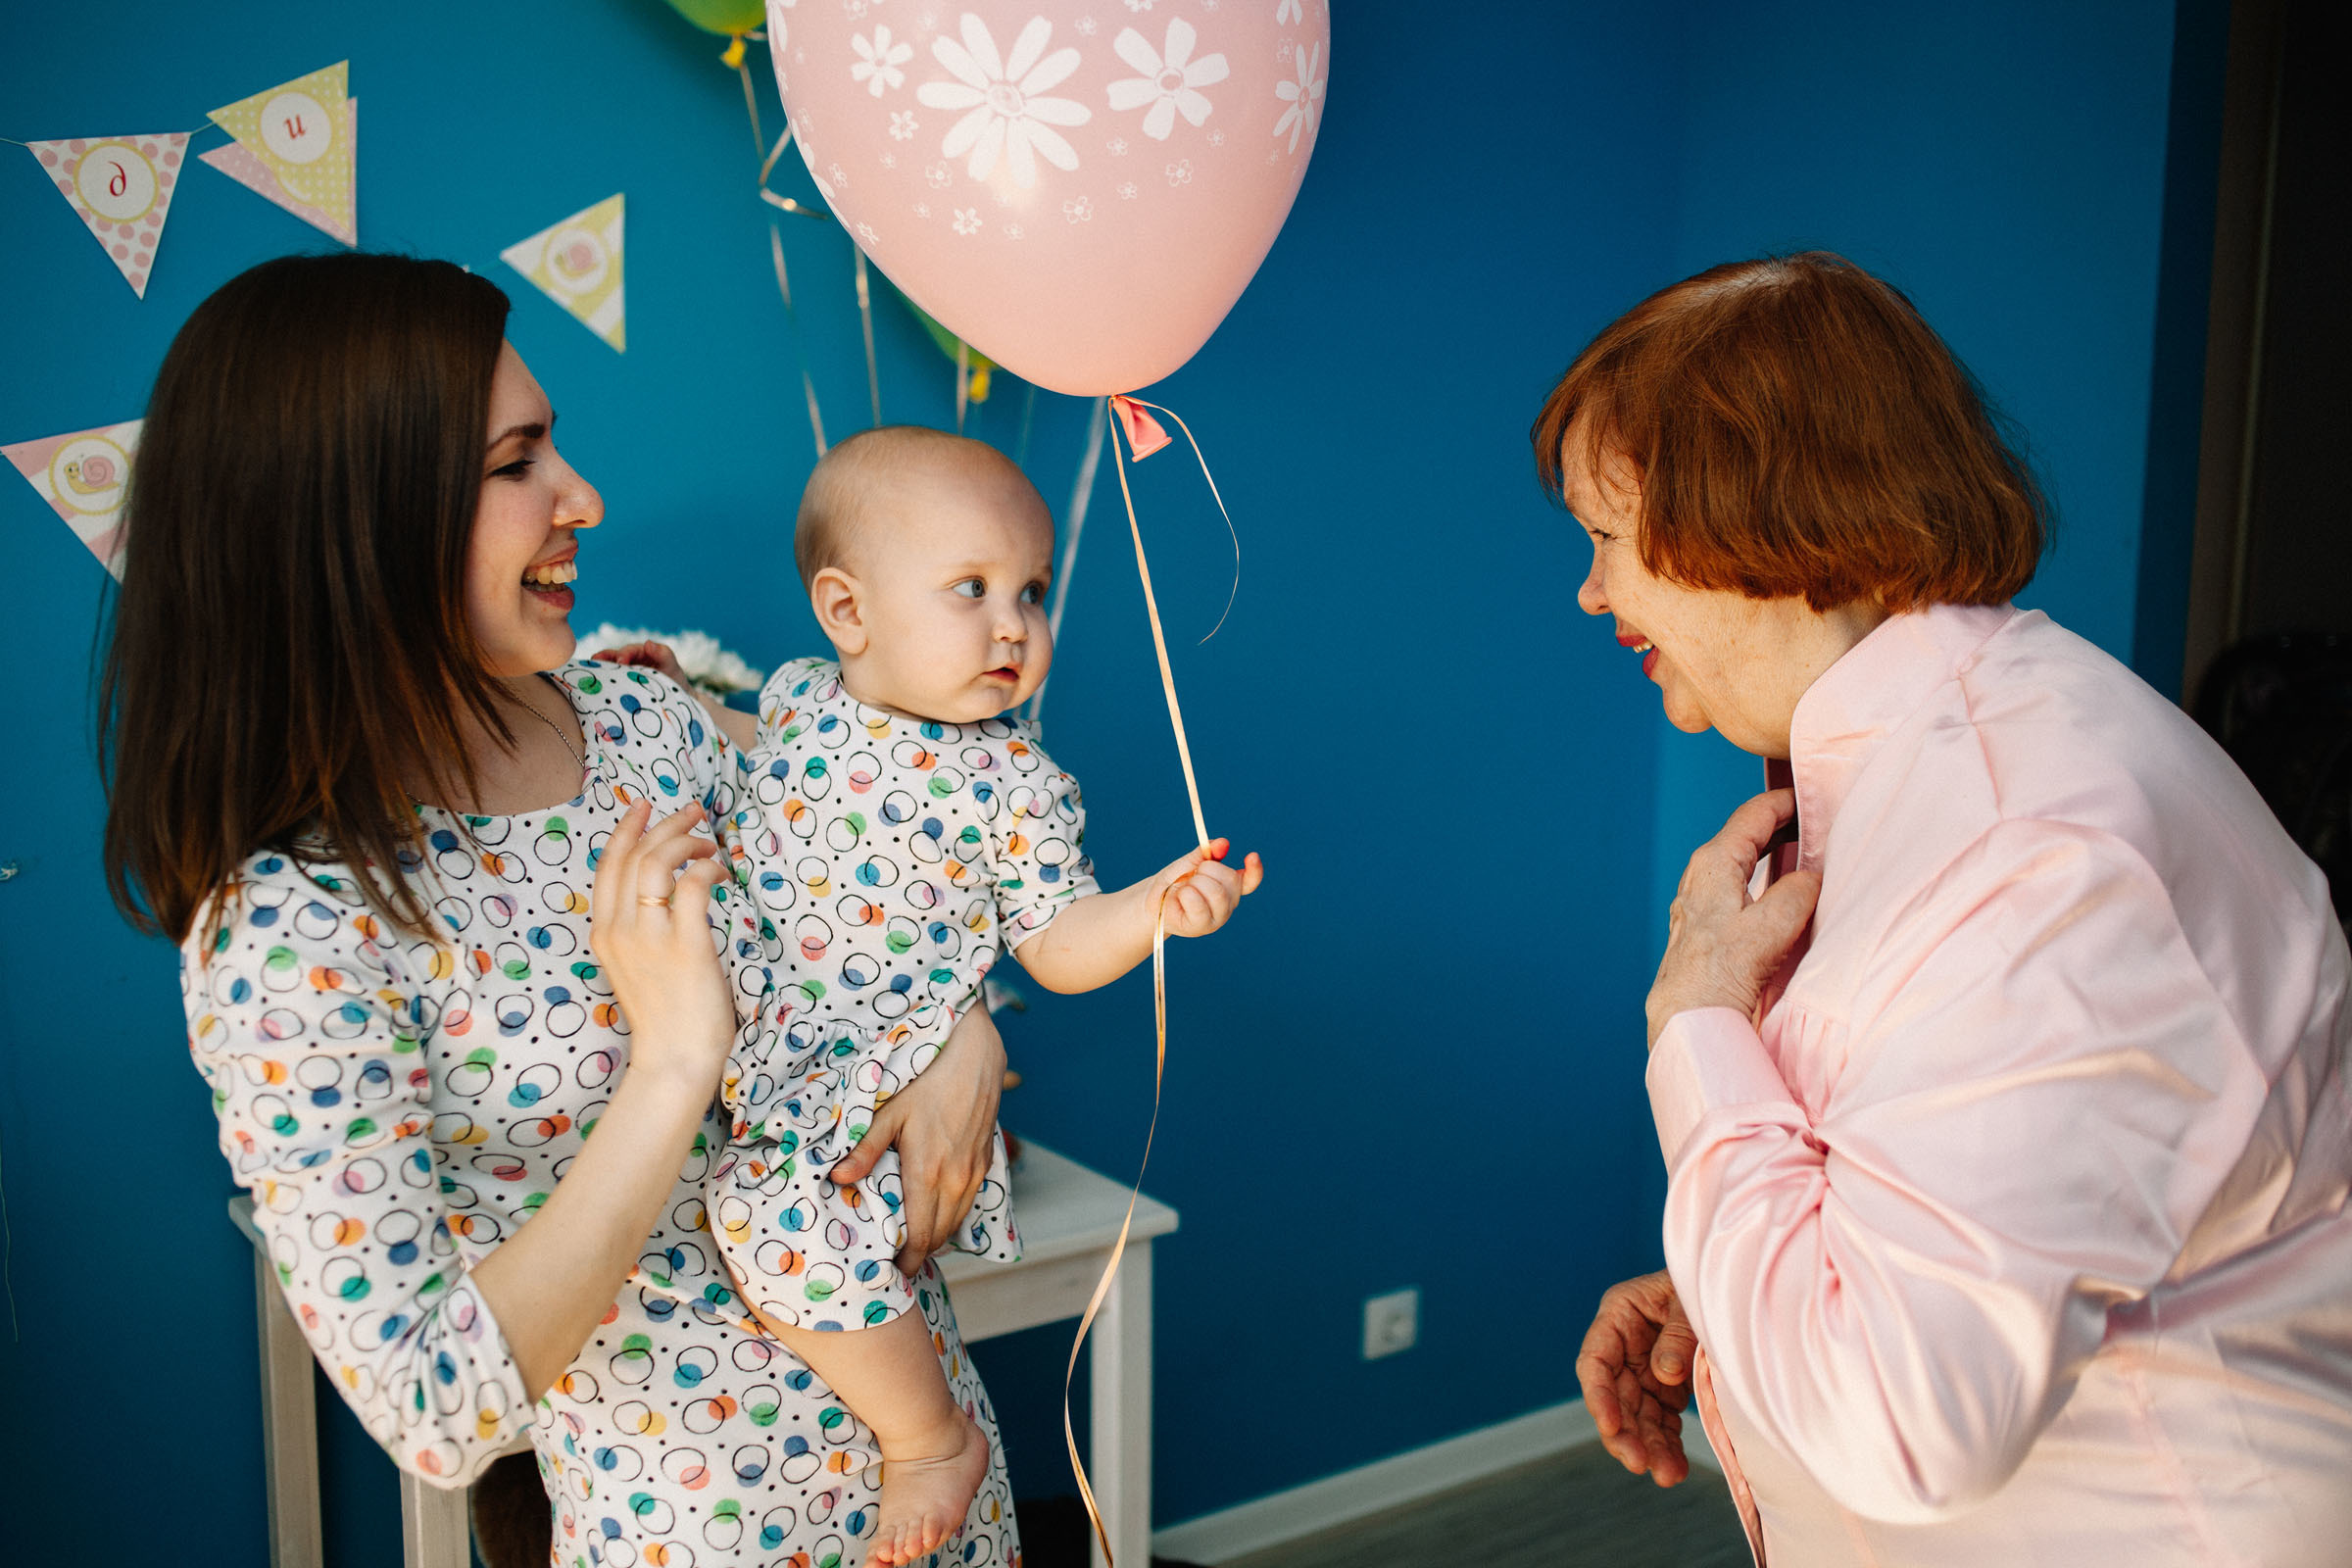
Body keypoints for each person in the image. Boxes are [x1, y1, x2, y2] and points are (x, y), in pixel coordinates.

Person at [103, 253, 1022, 1566]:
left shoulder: (652, 725)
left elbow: (887, 897)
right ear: (355, 521)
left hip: (941, 1482)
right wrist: (674, 1065)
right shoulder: (295, 927)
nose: (580, 497)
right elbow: (435, 1409)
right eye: (514, 463)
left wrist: (960, 1028)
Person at [1547, 253, 2352, 1565]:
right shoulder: (1920, 769)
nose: (1591, 591)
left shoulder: (2032, 847)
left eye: (1605, 537)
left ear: (1760, 513)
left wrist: (1694, 1027)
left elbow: (1901, 1422)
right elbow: (1954, 1180)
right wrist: (1744, 1290)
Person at [610, 426, 1262, 1567]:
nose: (1015, 625)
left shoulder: (1015, 784)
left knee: (770, 1213)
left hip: (875, 1074)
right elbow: (753, 756)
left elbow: (1057, 941)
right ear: (847, 611)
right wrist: (676, 706)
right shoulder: (802, 696)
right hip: (768, 1042)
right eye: (973, 588)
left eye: (1033, 592)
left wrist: (1153, 906)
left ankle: (928, 1438)